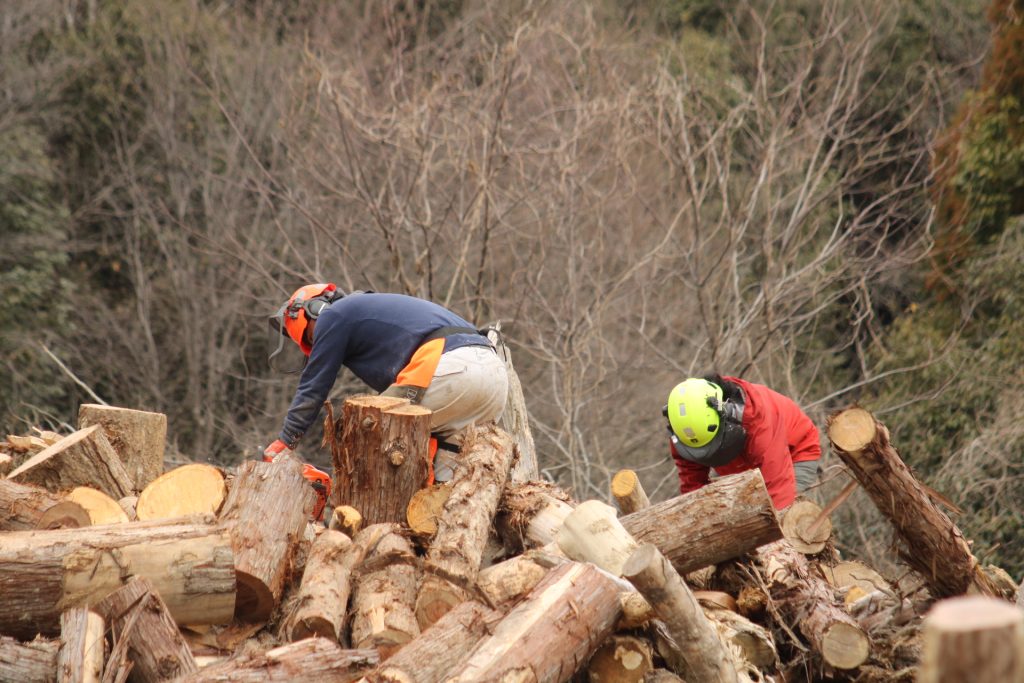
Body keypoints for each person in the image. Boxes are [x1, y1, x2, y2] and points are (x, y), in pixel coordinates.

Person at [264, 284, 508, 515]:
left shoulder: (334, 315)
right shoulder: (370, 312)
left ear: (310, 310)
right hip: (495, 377)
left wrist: (286, 440)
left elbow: (313, 385)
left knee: (368, 435)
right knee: (447, 484)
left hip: (450, 367)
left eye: (308, 337)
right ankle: (435, 534)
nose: (314, 343)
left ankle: (370, 524)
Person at [663, 374, 821, 510]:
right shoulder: (684, 425)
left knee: (782, 515)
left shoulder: (758, 420)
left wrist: (778, 537)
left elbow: (779, 490)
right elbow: (692, 483)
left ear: (724, 413)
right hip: (738, 464)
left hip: (794, 454)